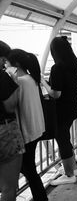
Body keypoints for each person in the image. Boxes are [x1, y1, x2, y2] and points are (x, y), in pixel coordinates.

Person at [7, 49, 47, 201]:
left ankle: (41, 198)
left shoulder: (19, 82)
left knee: (28, 169)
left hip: (27, 132)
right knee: (29, 168)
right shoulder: (31, 79)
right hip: (36, 129)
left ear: (15, 64)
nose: (6, 65)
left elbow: (11, 105)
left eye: (7, 63)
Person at [41, 36, 77, 185]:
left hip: (61, 110)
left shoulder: (57, 68)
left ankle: (70, 175)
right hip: (72, 108)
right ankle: (72, 169)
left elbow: (56, 94)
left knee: (62, 139)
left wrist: (43, 81)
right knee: (65, 138)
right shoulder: (75, 66)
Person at [0, 41, 25, 201]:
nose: (4, 63)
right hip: (5, 131)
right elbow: (9, 106)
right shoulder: (2, 77)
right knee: (8, 187)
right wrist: (16, 84)